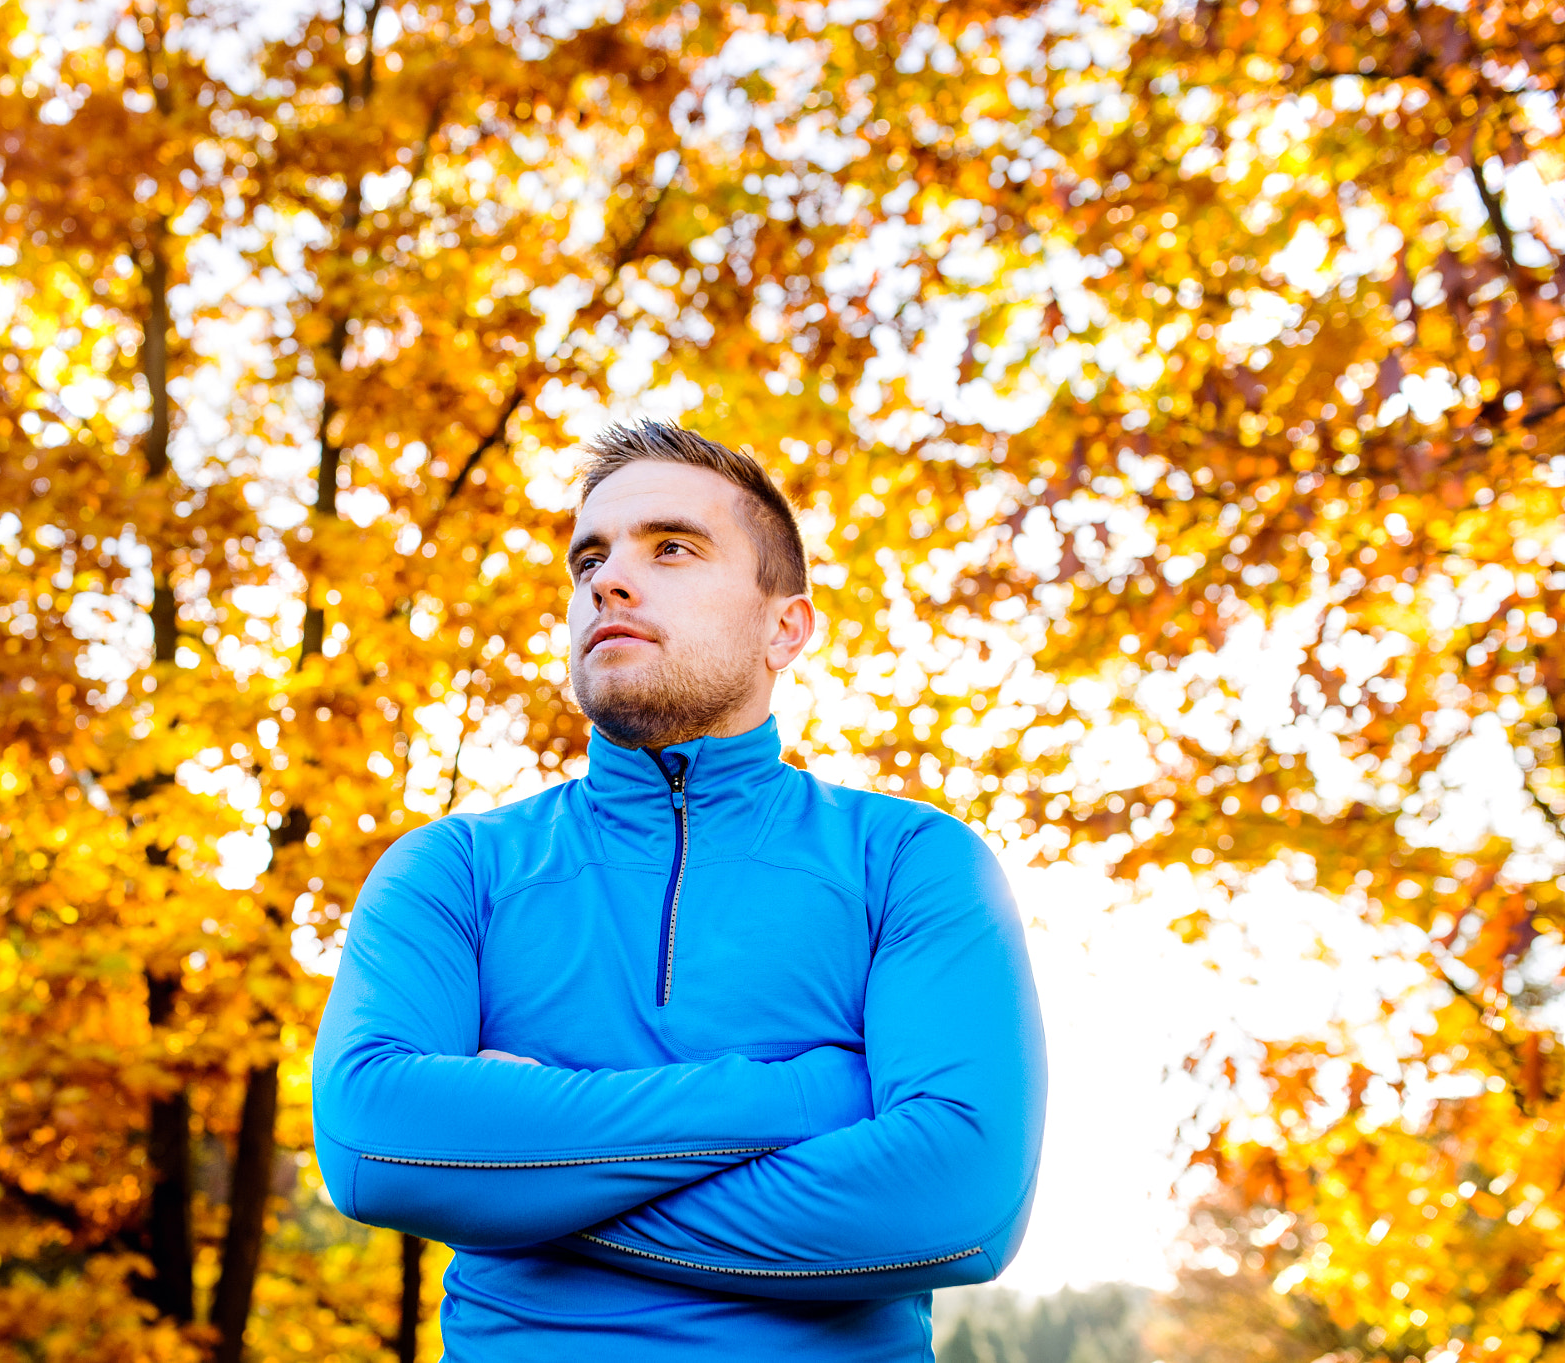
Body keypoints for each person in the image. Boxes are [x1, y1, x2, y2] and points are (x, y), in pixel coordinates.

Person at [310, 421, 1047, 1360]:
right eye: (590, 560)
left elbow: (960, 1203)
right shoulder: (452, 870)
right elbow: (376, 1141)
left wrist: (513, 1181)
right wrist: (806, 1093)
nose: (609, 580)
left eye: (671, 548)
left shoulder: (910, 861)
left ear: (786, 626)